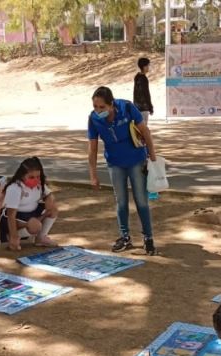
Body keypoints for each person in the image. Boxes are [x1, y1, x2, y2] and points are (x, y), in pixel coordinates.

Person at [88, 86, 158, 256]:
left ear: (111, 104)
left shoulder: (126, 107)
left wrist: (152, 156)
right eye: (95, 107)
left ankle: (148, 238)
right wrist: (93, 175)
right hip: (115, 163)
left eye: (102, 107)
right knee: (121, 201)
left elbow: (145, 131)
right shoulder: (94, 119)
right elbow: (92, 148)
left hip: (136, 160)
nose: (98, 111)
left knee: (141, 200)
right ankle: (124, 236)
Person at [0, 157, 59, 250]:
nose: (35, 180)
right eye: (31, 177)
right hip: (16, 218)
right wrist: (13, 237)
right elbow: (11, 215)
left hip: (32, 213)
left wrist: (49, 199)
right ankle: (12, 236)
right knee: (35, 225)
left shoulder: (39, 184)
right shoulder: (15, 188)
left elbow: (49, 195)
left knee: (53, 209)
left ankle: (40, 238)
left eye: (38, 177)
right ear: (22, 175)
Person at [133, 57, 154, 125]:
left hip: (136, 106)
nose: (148, 67)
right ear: (144, 67)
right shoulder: (144, 79)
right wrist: (150, 107)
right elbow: (146, 93)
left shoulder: (137, 76)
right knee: (143, 128)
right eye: (147, 65)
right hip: (143, 107)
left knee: (138, 128)